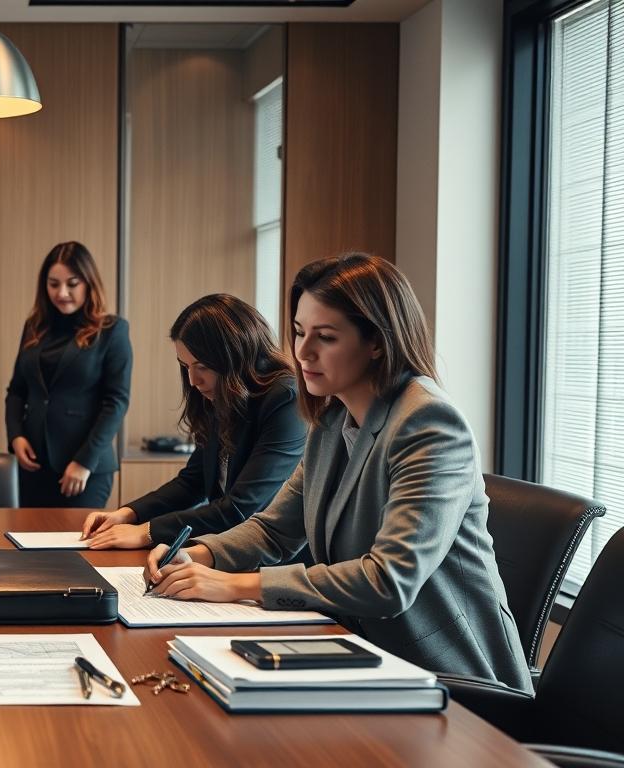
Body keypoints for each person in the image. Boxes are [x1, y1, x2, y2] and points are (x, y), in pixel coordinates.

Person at [146, 253, 531, 691]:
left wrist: (234, 585)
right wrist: (198, 555)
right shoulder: (333, 420)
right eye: (298, 332)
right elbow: (274, 531)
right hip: (360, 651)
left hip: (445, 678)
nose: (303, 352)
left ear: (377, 342)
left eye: (325, 337)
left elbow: (388, 581)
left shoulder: (430, 424)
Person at [81, 294, 305, 548]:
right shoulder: (219, 395)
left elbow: (241, 507)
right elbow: (193, 482)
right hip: (226, 551)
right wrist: (128, 514)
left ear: (234, 356)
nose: (192, 381)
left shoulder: (285, 399)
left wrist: (148, 532)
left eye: (202, 367)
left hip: (274, 564)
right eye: (185, 366)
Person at [5, 242, 131, 507]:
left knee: (76, 547)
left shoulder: (112, 330)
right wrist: (16, 435)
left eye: (72, 284)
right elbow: (17, 390)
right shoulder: (34, 327)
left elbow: (116, 402)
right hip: (33, 466)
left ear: (88, 283)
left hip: (85, 469)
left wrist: (84, 461)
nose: (62, 293)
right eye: (53, 284)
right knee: (27, 545)